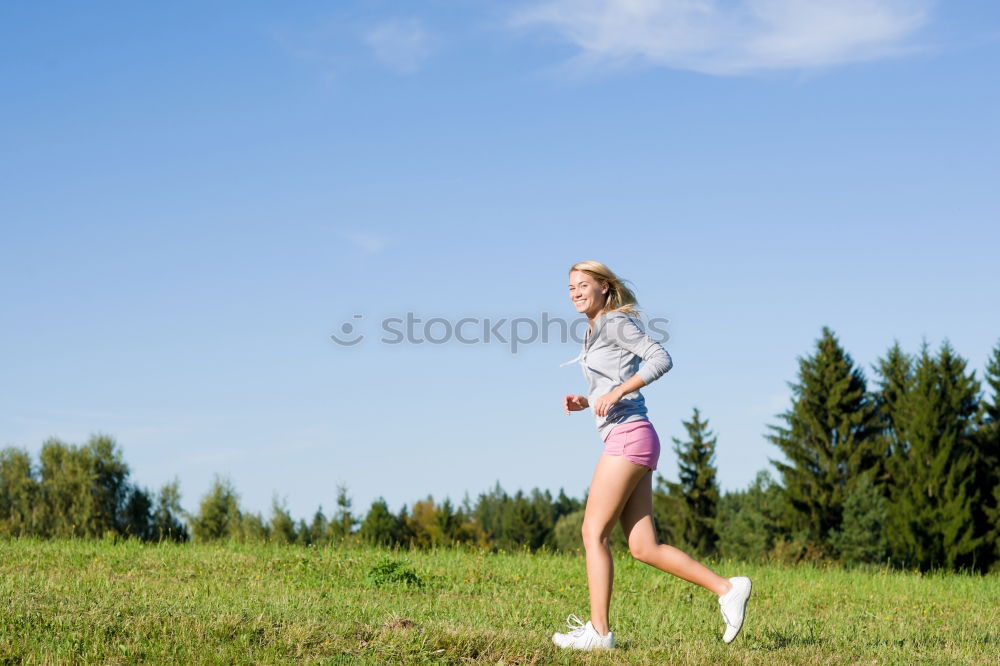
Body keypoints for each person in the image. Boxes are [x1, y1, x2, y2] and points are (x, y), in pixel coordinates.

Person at [552, 260, 752, 651]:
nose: (575, 293)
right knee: (643, 547)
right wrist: (590, 398)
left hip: (628, 438)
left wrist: (618, 392)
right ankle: (728, 588)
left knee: (593, 533)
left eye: (583, 285)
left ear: (605, 288)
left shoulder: (613, 323)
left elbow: (660, 358)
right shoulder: (594, 329)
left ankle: (599, 632)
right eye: (570, 287)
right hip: (635, 437)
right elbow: (610, 383)